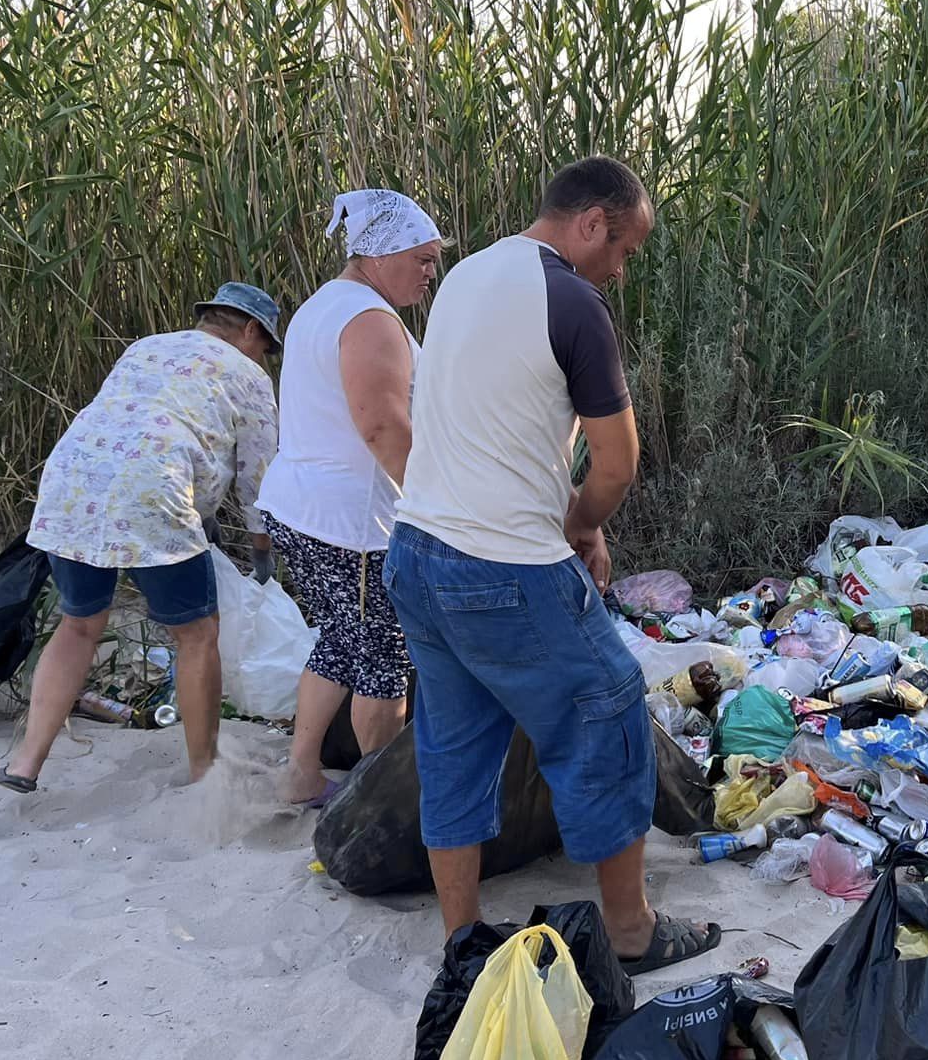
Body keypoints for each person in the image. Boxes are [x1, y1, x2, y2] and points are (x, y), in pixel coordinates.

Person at [382, 156, 721, 973]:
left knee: (454, 745)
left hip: (417, 553)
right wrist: (579, 524)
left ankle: (463, 941)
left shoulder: (467, 275)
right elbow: (617, 463)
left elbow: (517, 411)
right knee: (608, 717)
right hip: (504, 568)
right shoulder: (573, 299)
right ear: (593, 223)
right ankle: (633, 932)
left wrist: (569, 520)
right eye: (626, 249)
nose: (622, 269)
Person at [0, 283, 283, 793]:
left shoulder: (146, 345)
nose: (265, 356)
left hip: (71, 480)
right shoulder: (249, 374)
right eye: (266, 345)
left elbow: (143, 420)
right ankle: (203, 771)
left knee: (79, 625)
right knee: (197, 636)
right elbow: (258, 477)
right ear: (250, 329)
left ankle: (24, 764)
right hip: (153, 489)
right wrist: (263, 554)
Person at [258, 189, 444, 806]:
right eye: (421, 257)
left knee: (342, 638)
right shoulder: (369, 320)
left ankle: (301, 773)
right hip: (352, 526)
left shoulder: (324, 306)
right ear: (379, 254)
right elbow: (383, 428)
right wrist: (434, 507)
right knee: (384, 660)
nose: (430, 270)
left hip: (300, 509)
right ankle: (379, 805)